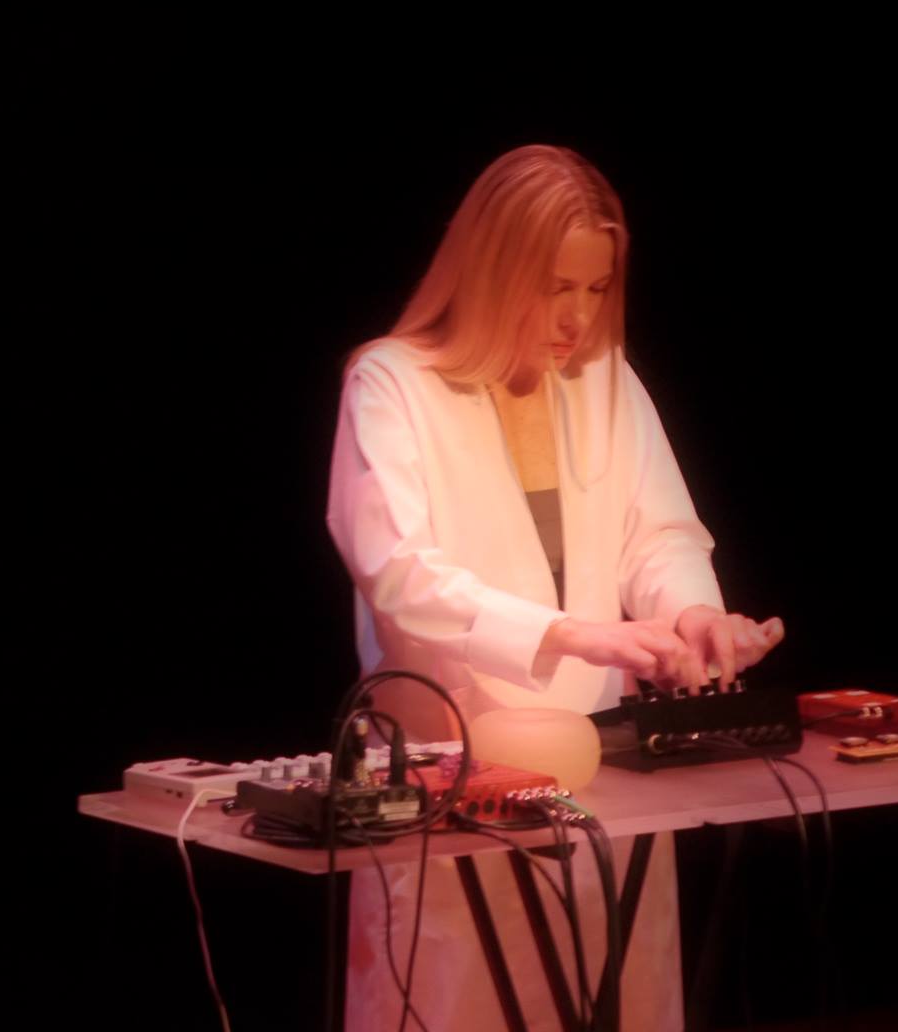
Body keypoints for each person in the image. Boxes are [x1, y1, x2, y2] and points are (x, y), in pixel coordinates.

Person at [324, 144, 786, 1030]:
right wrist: (574, 634)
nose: (578, 316)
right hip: (451, 772)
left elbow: (659, 535)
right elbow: (399, 571)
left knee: (612, 993)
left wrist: (693, 615)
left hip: (600, 776)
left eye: (596, 288)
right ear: (491, 269)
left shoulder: (605, 381)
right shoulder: (392, 382)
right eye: (554, 287)